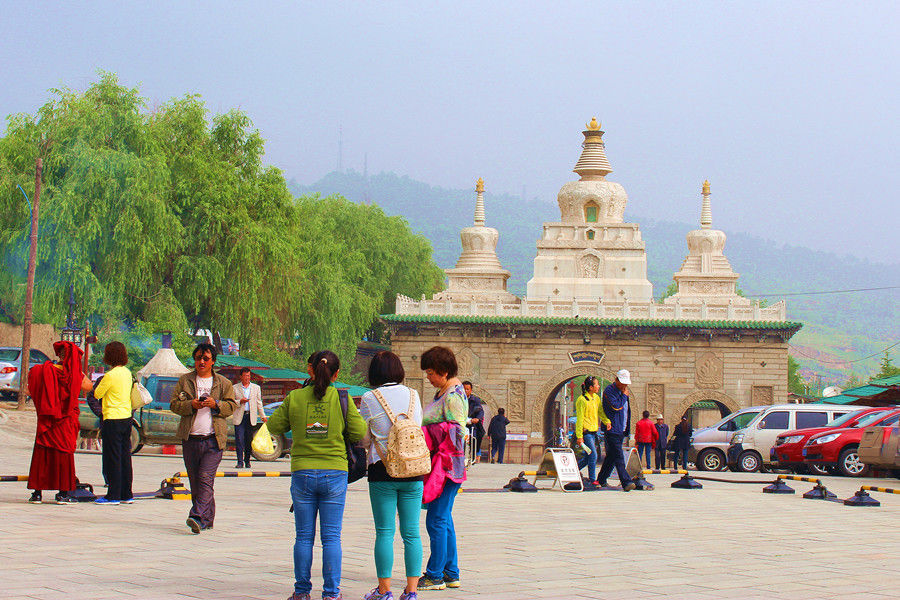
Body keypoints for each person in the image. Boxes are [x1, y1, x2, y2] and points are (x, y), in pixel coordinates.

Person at [267, 350, 366, 600]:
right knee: (331, 537)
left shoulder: (295, 398)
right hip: (334, 473)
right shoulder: (342, 398)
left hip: (302, 472)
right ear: (337, 374)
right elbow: (359, 432)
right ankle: (331, 593)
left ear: (310, 369)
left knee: (303, 536)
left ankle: (301, 592)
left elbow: (273, 426)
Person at [358, 351, 424, 600]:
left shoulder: (369, 397)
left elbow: (364, 438)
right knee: (412, 533)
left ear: (374, 372)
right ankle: (411, 591)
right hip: (413, 470)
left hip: (382, 470)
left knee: (384, 531)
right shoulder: (413, 395)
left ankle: (384, 590)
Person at [169, 343, 237, 533]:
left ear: (213, 361)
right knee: (196, 482)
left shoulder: (223, 383)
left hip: (213, 440)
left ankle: (196, 516)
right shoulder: (185, 380)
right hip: (190, 439)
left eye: (206, 358)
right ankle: (207, 519)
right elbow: (174, 405)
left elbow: (231, 407)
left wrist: (216, 404)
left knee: (205, 478)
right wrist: (191, 404)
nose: (201, 362)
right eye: (198, 358)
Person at [418, 346, 467, 592]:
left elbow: (458, 432)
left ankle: (435, 574)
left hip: (446, 465)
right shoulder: (444, 391)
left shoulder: (453, 396)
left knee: (436, 519)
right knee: (444, 518)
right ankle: (451, 572)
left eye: (431, 372)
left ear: (444, 371)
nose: (428, 377)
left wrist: (427, 431)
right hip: (443, 463)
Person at [27, 340, 93, 504]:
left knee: (42, 455)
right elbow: (88, 387)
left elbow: (31, 389)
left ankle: (37, 494)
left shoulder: (42, 370)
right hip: (65, 421)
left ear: (60, 355)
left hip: (47, 421)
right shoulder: (75, 375)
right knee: (64, 456)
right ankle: (63, 494)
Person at [93, 341, 134, 505]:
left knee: (113, 457)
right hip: (126, 417)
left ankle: (113, 495)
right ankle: (126, 493)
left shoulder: (110, 375)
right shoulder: (127, 372)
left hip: (112, 418)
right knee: (125, 456)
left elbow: (97, 393)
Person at [596, 369, 636, 492]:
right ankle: (626, 482)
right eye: (622, 383)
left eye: (626, 383)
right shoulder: (610, 391)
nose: (624, 386)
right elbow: (616, 406)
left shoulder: (624, 392)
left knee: (612, 456)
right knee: (619, 456)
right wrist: (624, 396)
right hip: (612, 429)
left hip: (621, 428)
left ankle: (601, 479)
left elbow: (626, 411)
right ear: (616, 380)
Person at [575, 376, 610, 484]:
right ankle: (592, 479)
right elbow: (579, 419)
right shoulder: (582, 400)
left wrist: (606, 421)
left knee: (587, 457)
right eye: (596, 384)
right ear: (590, 387)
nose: (598, 386)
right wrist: (579, 436)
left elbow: (600, 412)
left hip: (594, 433)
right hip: (586, 434)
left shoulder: (596, 398)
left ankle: (572, 471)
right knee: (593, 454)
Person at [232, 367, 266, 468]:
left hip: (250, 416)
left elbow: (259, 403)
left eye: (249, 376)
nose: (247, 378)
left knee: (248, 440)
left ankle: (247, 460)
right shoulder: (235, 388)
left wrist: (263, 416)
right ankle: (239, 461)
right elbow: (231, 401)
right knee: (239, 439)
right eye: (245, 376)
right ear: (241, 376)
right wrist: (240, 401)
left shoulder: (256, 388)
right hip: (239, 416)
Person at [462, 381, 484, 464]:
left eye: (467, 389)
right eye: (464, 389)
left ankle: (473, 455)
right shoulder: (457, 399)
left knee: (474, 436)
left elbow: (480, 411)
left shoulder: (475, 400)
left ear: (471, 390)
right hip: (460, 423)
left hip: (471, 423)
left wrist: (477, 418)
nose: (465, 391)